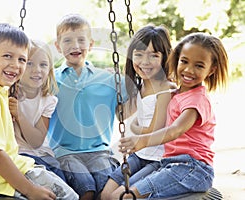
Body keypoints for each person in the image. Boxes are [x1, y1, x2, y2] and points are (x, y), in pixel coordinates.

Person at [0, 23, 78, 200]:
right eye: (7, 56)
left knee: (66, 192)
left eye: (21, 59)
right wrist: (31, 191)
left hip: (14, 167)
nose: (15, 65)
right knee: (68, 197)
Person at [112, 32, 229, 199]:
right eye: (184, 61)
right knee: (120, 194)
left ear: (212, 70)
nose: (189, 70)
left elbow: (175, 130)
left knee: (127, 196)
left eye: (199, 66)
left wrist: (143, 140)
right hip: (172, 165)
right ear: (176, 59)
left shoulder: (197, 100)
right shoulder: (177, 93)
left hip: (192, 168)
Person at [47, 13, 127, 200]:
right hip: (65, 153)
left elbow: (141, 92)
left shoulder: (107, 79)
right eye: (67, 41)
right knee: (86, 188)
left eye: (81, 40)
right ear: (58, 47)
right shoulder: (50, 79)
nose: (75, 46)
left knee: (105, 187)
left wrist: (165, 87)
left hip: (100, 151)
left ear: (90, 44)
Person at [101, 24, 177, 200]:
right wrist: (113, 86)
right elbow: (122, 114)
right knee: (105, 195)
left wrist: (135, 130)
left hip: (158, 160)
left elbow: (156, 129)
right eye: (139, 55)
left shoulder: (166, 89)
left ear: (165, 57)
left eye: (154, 55)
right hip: (139, 155)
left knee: (119, 196)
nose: (145, 62)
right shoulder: (141, 87)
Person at [9, 39, 66, 182]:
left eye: (43, 64)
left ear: (49, 70)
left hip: (44, 155)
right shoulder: (8, 94)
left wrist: (19, 115)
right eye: (29, 63)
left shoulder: (48, 100)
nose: (37, 70)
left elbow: (36, 141)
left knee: (62, 183)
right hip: (19, 156)